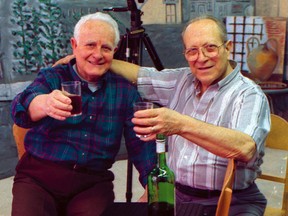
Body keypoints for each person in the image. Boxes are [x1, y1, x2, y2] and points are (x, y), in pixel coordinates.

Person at [109, 15, 271, 215]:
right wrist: (94, 60)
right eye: (192, 50)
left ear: (228, 47)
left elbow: (245, 148)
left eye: (210, 47)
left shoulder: (248, 94)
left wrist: (180, 124)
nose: (201, 58)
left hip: (234, 201)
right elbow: (139, 74)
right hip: (178, 195)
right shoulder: (182, 79)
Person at [10, 12, 156, 216]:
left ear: (114, 51)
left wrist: (153, 187)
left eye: (105, 48)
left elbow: (142, 144)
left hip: (91, 183)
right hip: (39, 177)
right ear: (74, 45)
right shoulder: (53, 77)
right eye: (90, 45)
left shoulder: (125, 92)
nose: (97, 54)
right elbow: (20, 109)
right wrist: (44, 103)